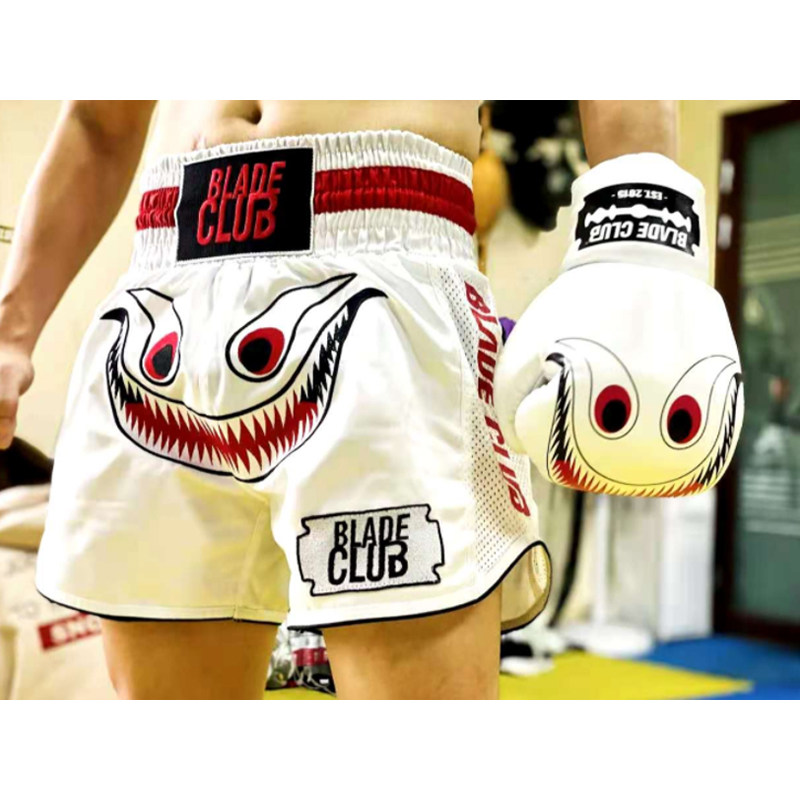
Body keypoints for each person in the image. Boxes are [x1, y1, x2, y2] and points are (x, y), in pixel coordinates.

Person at [0, 101, 740, 699]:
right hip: (162, 283)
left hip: (384, 251)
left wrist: (644, 253)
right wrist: (11, 330)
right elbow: (98, 120)